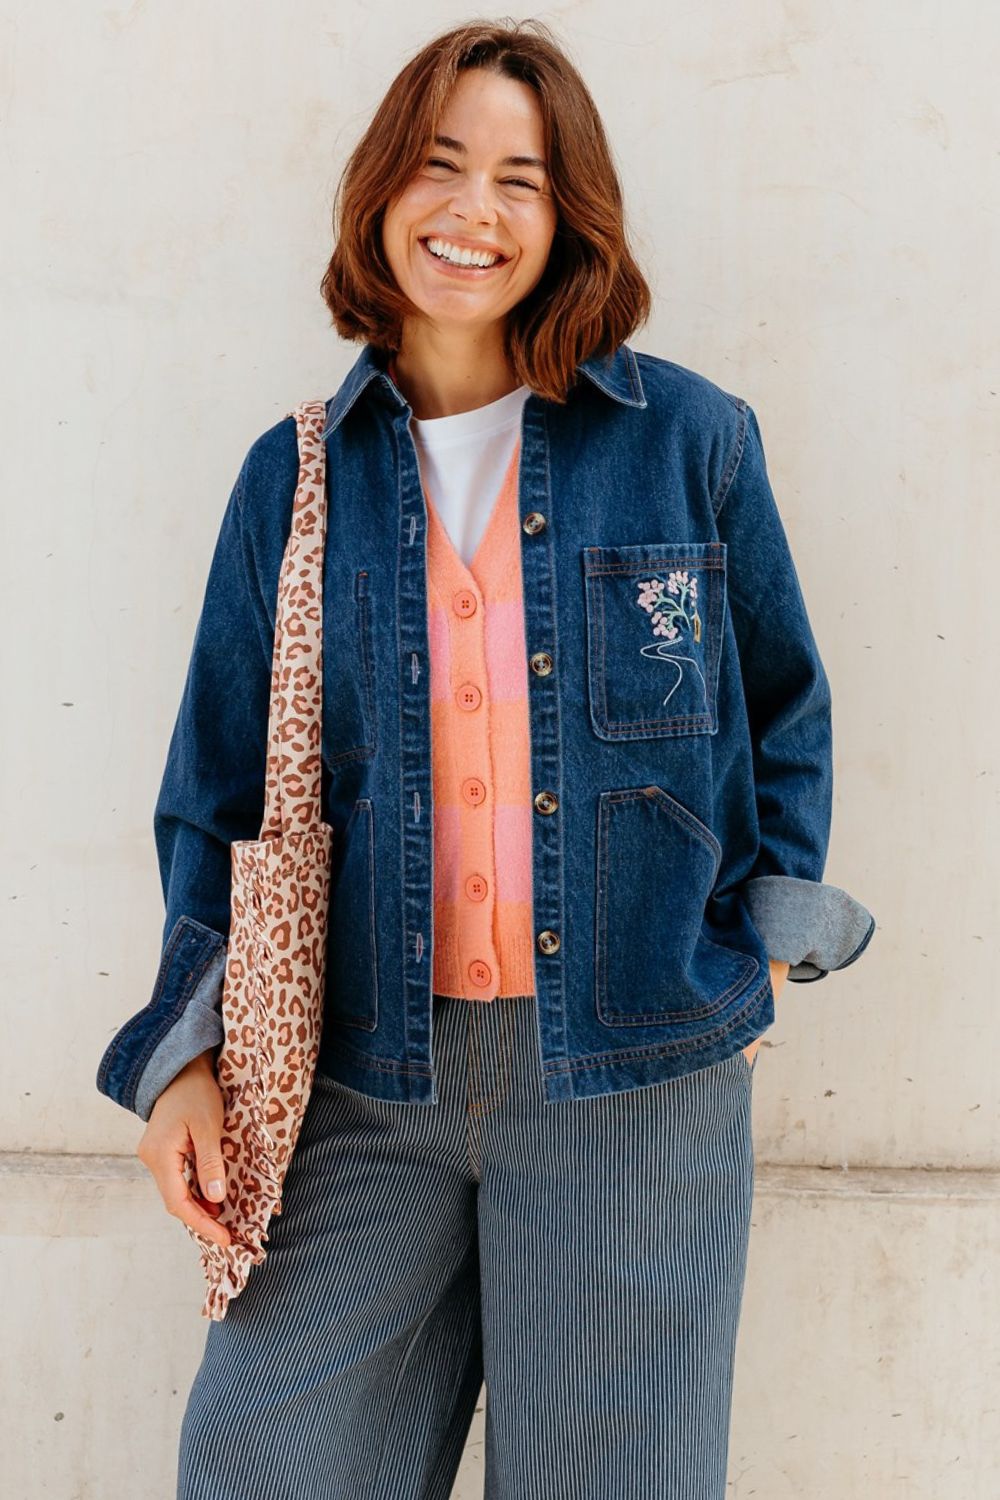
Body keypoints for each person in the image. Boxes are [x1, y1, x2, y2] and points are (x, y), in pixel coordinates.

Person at [96, 18, 876, 1498]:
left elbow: (786, 710)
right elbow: (219, 781)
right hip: (366, 1080)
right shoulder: (298, 474)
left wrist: (755, 946)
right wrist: (181, 1057)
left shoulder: (688, 442)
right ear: (383, 190)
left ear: (570, 216)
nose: (476, 211)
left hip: (636, 1074)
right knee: (267, 1460)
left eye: (522, 179)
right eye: (442, 165)